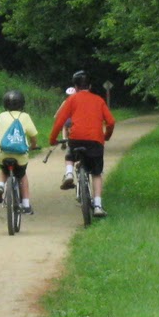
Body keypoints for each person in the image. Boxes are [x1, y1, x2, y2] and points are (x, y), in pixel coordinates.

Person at [49, 70, 117, 217]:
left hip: (76, 138)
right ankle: (98, 205)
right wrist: (106, 136)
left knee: (70, 155)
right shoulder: (99, 100)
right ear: (90, 86)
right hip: (95, 140)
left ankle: (69, 173)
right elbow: (111, 122)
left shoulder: (71, 100)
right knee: (96, 173)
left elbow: (60, 121)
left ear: (75, 86)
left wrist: (52, 139)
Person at [0, 89, 39, 213]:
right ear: (22, 104)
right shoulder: (25, 117)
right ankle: (26, 205)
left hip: (3, 153)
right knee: (22, 175)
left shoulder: (1, 116)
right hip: (20, 155)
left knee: (4, 170)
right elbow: (33, 136)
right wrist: (33, 145)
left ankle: (0, 186)